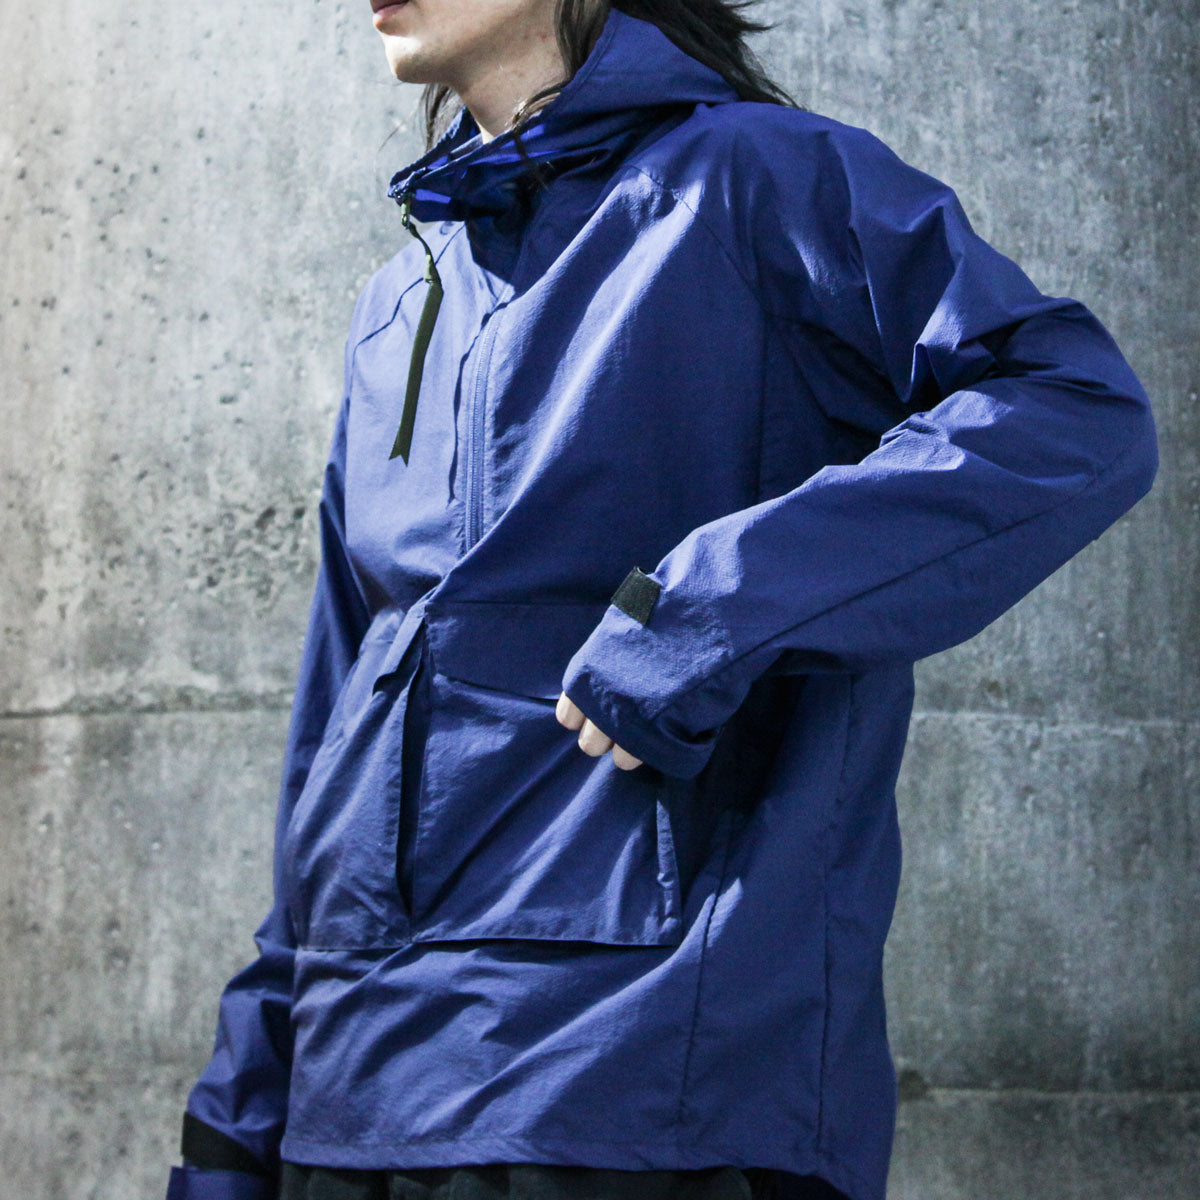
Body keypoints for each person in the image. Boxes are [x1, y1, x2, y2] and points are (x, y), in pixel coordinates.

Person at [164, 1, 1159, 1199]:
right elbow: (337, 726)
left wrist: (705, 614)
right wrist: (240, 1109)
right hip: (353, 1094)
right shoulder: (398, 301)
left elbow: (1072, 411)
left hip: (634, 1081)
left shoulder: (759, 179)